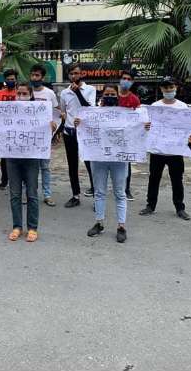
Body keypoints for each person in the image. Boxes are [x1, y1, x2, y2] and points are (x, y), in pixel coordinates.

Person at [0, 84, 55, 242]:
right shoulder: (8, 111)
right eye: (19, 93)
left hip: (31, 159)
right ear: (15, 95)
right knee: (15, 195)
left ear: (31, 95)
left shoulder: (39, 112)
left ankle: (32, 227)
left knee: (32, 194)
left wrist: (51, 127)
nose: (21, 96)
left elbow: (48, 130)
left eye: (25, 93)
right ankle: (17, 226)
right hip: (12, 159)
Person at [77, 85, 147, 243]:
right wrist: (79, 123)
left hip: (119, 160)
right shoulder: (93, 114)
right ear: (102, 96)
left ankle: (121, 226)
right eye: (107, 94)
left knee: (120, 193)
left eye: (112, 94)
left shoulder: (127, 115)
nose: (109, 96)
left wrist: (144, 126)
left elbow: (137, 128)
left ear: (118, 96)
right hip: (98, 159)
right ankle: (99, 222)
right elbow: (84, 127)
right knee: (99, 192)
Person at [141, 77, 191, 220]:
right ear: (161, 89)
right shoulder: (155, 106)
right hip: (158, 150)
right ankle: (150, 205)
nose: (168, 90)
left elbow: (188, 126)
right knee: (154, 178)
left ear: (176, 87)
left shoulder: (183, 107)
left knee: (177, 179)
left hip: (175, 151)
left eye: (171, 87)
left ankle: (180, 208)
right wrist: (147, 126)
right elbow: (148, 124)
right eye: (165, 88)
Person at [60, 64, 98, 207]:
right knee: (72, 165)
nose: (74, 76)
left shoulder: (90, 89)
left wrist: (78, 93)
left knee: (90, 164)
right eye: (71, 73)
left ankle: (97, 196)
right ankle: (75, 195)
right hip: (69, 132)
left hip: (85, 133)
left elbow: (90, 108)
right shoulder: (64, 93)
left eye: (76, 73)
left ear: (82, 74)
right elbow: (64, 111)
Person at [30, 64, 61, 206]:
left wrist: (55, 126)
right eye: (32, 75)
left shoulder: (49, 93)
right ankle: (30, 193)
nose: (34, 77)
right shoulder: (26, 91)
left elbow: (57, 111)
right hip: (28, 137)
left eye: (37, 75)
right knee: (29, 167)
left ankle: (47, 194)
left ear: (42, 77)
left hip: (44, 137)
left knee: (45, 167)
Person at [0, 67, 19, 190]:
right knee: (4, 157)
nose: (10, 81)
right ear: (5, 80)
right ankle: (4, 180)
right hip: (2, 130)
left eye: (12, 79)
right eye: (8, 79)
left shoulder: (21, 93)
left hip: (18, 129)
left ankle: (18, 180)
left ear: (16, 80)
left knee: (18, 155)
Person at [117, 70, 141, 200]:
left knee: (126, 163)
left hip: (127, 137)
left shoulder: (134, 99)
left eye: (128, 79)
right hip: (112, 136)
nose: (125, 81)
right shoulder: (113, 95)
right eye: (123, 78)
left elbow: (138, 118)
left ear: (132, 82)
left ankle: (126, 189)